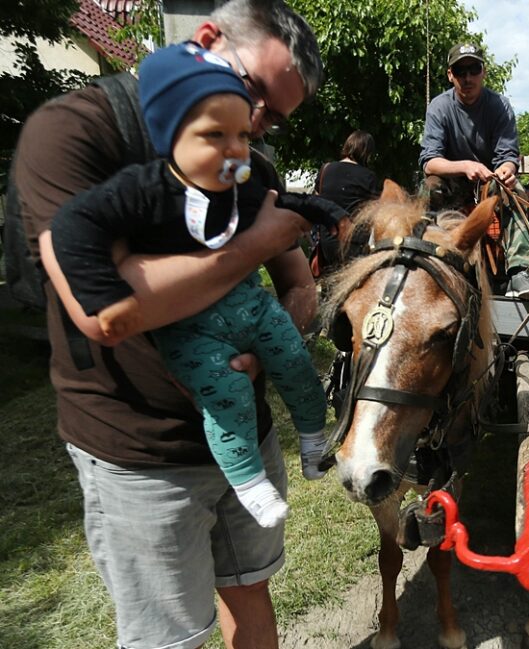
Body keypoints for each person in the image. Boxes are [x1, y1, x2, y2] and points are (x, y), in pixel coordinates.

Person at [13, 1, 323, 647]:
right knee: (170, 638)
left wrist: (267, 353)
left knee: (253, 592)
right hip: (138, 453)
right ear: (206, 39)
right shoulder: (76, 133)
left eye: (273, 120)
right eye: (255, 92)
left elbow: (299, 281)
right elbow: (101, 314)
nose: (257, 126)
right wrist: (250, 246)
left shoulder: (244, 163)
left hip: (248, 437)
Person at [51, 42, 338, 528]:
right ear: (167, 131)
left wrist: (327, 212)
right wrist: (105, 297)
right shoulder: (142, 188)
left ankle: (314, 438)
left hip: (250, 306)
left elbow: (286, 204)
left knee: (294, 356)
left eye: (243, 136)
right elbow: (74, 227)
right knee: (227, 396)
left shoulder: (243, 177)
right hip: (190, 332)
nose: (235, 150)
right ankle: (248, 480)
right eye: (215, 135)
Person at [419, 42, 529, 300]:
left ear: (483, 72)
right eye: (460, 71)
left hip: (490, 181)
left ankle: (519, 271)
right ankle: (428, 260)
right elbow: (429, 162)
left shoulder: (500, 105)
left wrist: (507, 169)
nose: (467, 77)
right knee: (429, 187)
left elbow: (508, 156)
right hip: (452, 180)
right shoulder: (439, 107)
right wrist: (465, 166)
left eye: (473, 69)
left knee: (512, 188)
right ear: (450, 75)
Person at [311, 129, 383, 273]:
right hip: (354, 241)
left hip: (327, 240)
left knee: (330, 284)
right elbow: (376, 209)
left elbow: (318, 198)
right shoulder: (368, 176)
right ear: (366, 152)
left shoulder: (326, 169)